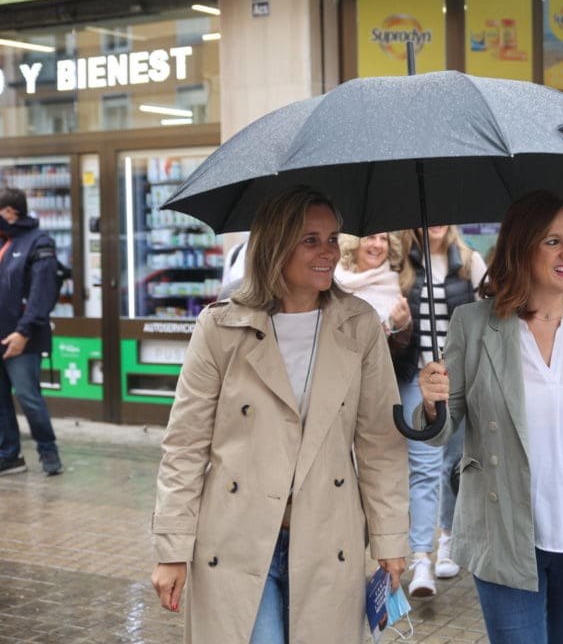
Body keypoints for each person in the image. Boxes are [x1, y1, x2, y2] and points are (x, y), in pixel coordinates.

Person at [150, 186, 410, 643]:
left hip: (328, 538)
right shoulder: (221, 326)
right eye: (311, 240)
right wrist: (171, 549)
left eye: (332, 239)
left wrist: (390, 540)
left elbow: (379, 444)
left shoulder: (359, 325)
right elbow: (186, 444)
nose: (328, 252)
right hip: (237, 539)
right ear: (275, 244)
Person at [417, 190, 563, 644]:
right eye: (552, 242)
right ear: (520, 248)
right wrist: (432, 402)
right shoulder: (473, 324)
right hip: (504, 533)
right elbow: (442, 431)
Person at [395, 225, 486, 596]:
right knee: (424, 467)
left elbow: (488, 313)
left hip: (459, 380)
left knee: (454, 465)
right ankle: (421, 557)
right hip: (415, 379)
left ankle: (448, 538)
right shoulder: (401, 265)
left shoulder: (469, 262)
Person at [0, 187, 63, 477]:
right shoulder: (4, 241)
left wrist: (23, 332)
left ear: (9, 212)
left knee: (28, 397)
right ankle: (9, 455)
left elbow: (42, 294)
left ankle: (48, 452)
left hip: (22, 339)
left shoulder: (39, 242)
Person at [334, 232, 412, 336]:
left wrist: (402, 325)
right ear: (354, 242)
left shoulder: (395, 287)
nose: (377, 245)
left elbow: (400, 345)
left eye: (383, 239)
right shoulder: (333, 280)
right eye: (371, 237)